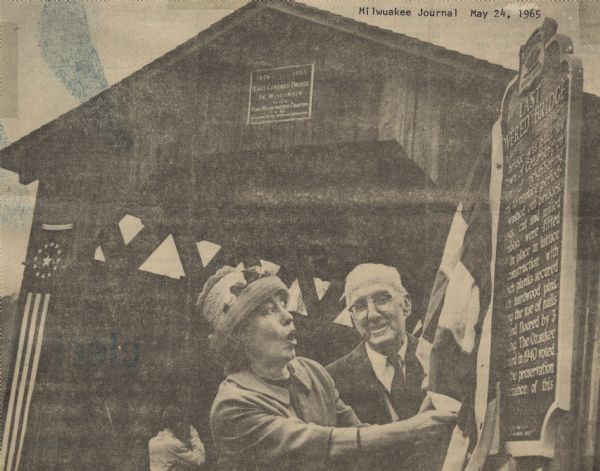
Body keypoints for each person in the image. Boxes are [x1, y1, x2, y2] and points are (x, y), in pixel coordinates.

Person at [198, 266, 456, 471]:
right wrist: (412, 429)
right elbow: (325, 444)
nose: (288, 315)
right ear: (238, 336)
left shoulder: (313, 372)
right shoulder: (233, 407)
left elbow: (361, 440)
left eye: (282, 305)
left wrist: (419, 424)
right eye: (268, 310)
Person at [326, 263, 448, 470]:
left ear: (406, 304)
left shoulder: (441, 361)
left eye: (382, 299)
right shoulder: (331, 380)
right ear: (353, 317)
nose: (372, 314)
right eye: (360, 306)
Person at [148, 405, 205, 470]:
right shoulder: (174, 444)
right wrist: (195, 437)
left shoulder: (152, 442)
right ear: (178, 424)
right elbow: (199, 461)